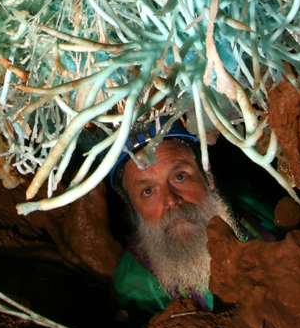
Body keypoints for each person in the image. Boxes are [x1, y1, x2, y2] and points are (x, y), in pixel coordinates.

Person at [110, 125, 283, 315]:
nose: (171, 200)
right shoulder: (135, 287)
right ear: (134, 211)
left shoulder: (247, 202)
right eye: (148, 191)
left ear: (207, 176)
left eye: (180, 177)